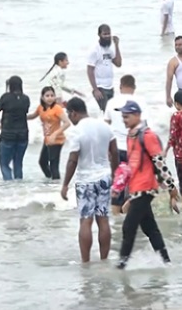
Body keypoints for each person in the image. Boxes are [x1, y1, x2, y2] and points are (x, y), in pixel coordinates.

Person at [116, 100, 180, 270]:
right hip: (136, 188)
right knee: (150, 228)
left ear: (137, 115)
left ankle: (122, 266)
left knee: (128, 227)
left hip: (146, 188)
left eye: (127, 116)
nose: (124, 120)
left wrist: (172, 187)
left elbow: (160, 163)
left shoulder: (148, 136)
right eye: (123, 117)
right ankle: (166, 262)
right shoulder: (131, 135)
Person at [60, 97, 119, 264]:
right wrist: (114, 174)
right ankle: (104, 260)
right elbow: (114, 152)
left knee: (86, 220)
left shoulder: (76, 131)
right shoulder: (105, 126)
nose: (70, 119)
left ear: (74, 112)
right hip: (104, 177)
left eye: (69, 114)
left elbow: (73, 160)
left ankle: (85, 262)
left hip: (85, 179)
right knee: (103, 219)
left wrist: (65, 184)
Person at [0, 76, 31, 180]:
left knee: (4, 164)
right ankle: (18, 187)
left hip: (7, 135)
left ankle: (9, 188)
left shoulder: (5, 97)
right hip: (23, 135)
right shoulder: (26, 98)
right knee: (18, 163)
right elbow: (22, 113)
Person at [27, 87, 71, 180]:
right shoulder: (41, 108)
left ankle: (55, 187)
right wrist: (16, 116)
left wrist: (55, 134)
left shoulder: (57, 108)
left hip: (57, 140)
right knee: (42, 162)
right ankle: (51, 183)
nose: (50, 98)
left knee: (53, 165)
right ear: (42, 97)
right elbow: (32, 116)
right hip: (47, 140)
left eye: (52, 95)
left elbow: (67, 123)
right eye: (47, 96)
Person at [87, 24, 122, 112]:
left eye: (109, 34)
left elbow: (118, 64)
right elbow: (90, 70)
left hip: (110, 86)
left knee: (110, 112)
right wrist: (95, 89)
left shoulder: (109, 48)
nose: (107, 36)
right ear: (99, 35)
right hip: (100, 87)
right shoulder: (94, 50)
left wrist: (117, 46)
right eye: (105, 34)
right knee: (106, 112)